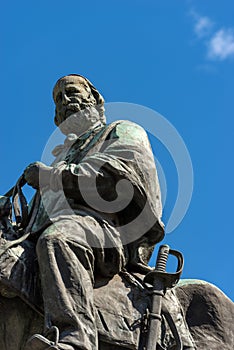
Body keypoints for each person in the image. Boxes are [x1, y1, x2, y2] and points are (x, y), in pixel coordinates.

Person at [1, 75, 164, 350]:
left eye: (72, 92)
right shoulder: (62, 154)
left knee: (58, 239)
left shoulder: (121, 130)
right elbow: (38, 219)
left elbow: (117, 179)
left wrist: (52, 177)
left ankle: (76, 338)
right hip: (52, 230)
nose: (65, 101)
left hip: (105, 230)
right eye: (59, 99)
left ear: (96, 99)